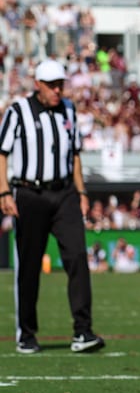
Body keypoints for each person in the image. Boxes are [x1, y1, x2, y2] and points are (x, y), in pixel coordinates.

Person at [0, 59, 106, 354]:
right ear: (38, 84)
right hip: (29, 193)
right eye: (52, 85)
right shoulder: (19, 111)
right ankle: (27, 334)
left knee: (77, 258)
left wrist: (82, 191)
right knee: (29, 267)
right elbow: (2, 153)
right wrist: (4, 192)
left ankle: (83, 331)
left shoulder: (68, 110)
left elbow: (74, 155)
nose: (58, 90)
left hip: (64, 194)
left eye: (61, 84)